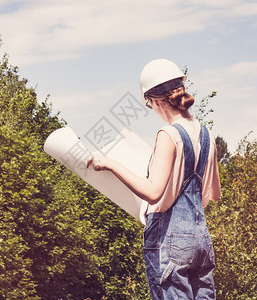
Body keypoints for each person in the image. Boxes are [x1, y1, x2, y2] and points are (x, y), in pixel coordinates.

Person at [86, 59, 221, 299]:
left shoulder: (168, 134)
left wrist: (110, 163)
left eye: (149, 104)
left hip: (170, 241)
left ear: (156, 100)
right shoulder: (207, 134)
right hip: (201, 240)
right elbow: (214, 194)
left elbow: (153, 191)